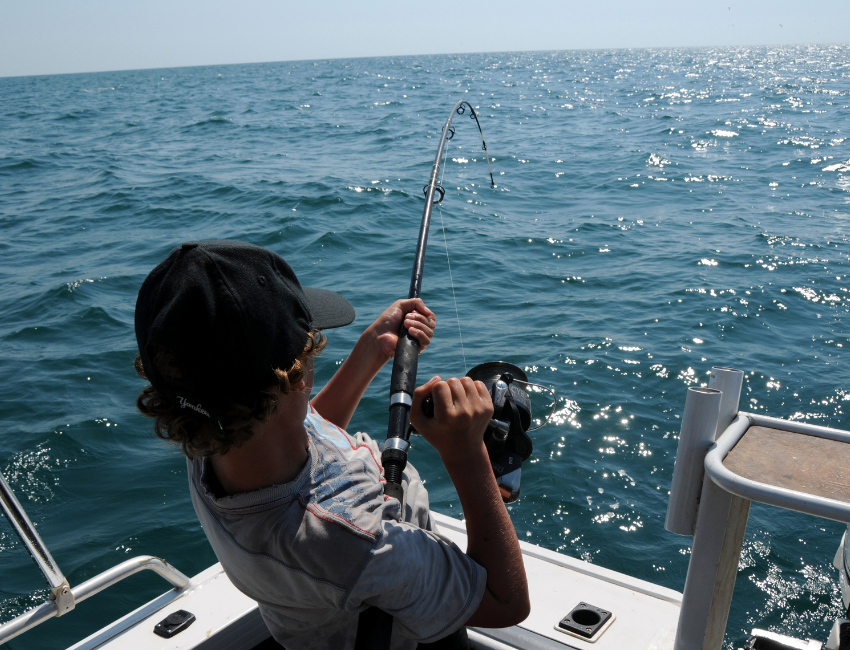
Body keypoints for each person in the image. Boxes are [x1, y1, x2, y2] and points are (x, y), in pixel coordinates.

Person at [133, 240, 529, 649]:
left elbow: (298, 433)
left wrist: (372, 351)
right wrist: (466, 454)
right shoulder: (354, 543)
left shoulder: (208, 435)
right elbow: (505, 603)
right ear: (293, 377)